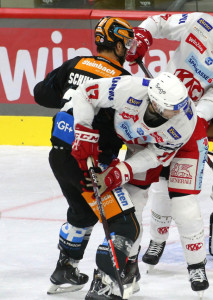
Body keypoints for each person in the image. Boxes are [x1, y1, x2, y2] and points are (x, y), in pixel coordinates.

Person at [124, 8, 213, 282]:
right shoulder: (199, 24)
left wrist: (196, 121)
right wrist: (142, 36)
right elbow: (158, 22)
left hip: (202, 108)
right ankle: (158, 237)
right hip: (169, 106)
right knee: (167, 179)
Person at [70, 71, 206, 299]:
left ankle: (197, 266)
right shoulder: (127, 88)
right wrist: (83, 131)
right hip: (143, 144)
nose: (179, 111)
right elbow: (85, 92)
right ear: (155, 103)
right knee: (132, 202)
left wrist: (117, 173)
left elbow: (156, 156)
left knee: (184, 206)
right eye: (173, 107)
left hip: (185, 144)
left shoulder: (183, 120)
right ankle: (130, 267)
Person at [34, 16, 135, 295]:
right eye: (126, 43)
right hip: (89, 162)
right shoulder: (123, 80)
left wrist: (72, 93)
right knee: (125, 224)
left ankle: (65, 268)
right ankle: (103, 284)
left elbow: (41, 94)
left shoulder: (76, 63)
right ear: (116, 45)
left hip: (59, 156)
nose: (128, 50)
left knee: (82, 213)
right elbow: (125, 129)